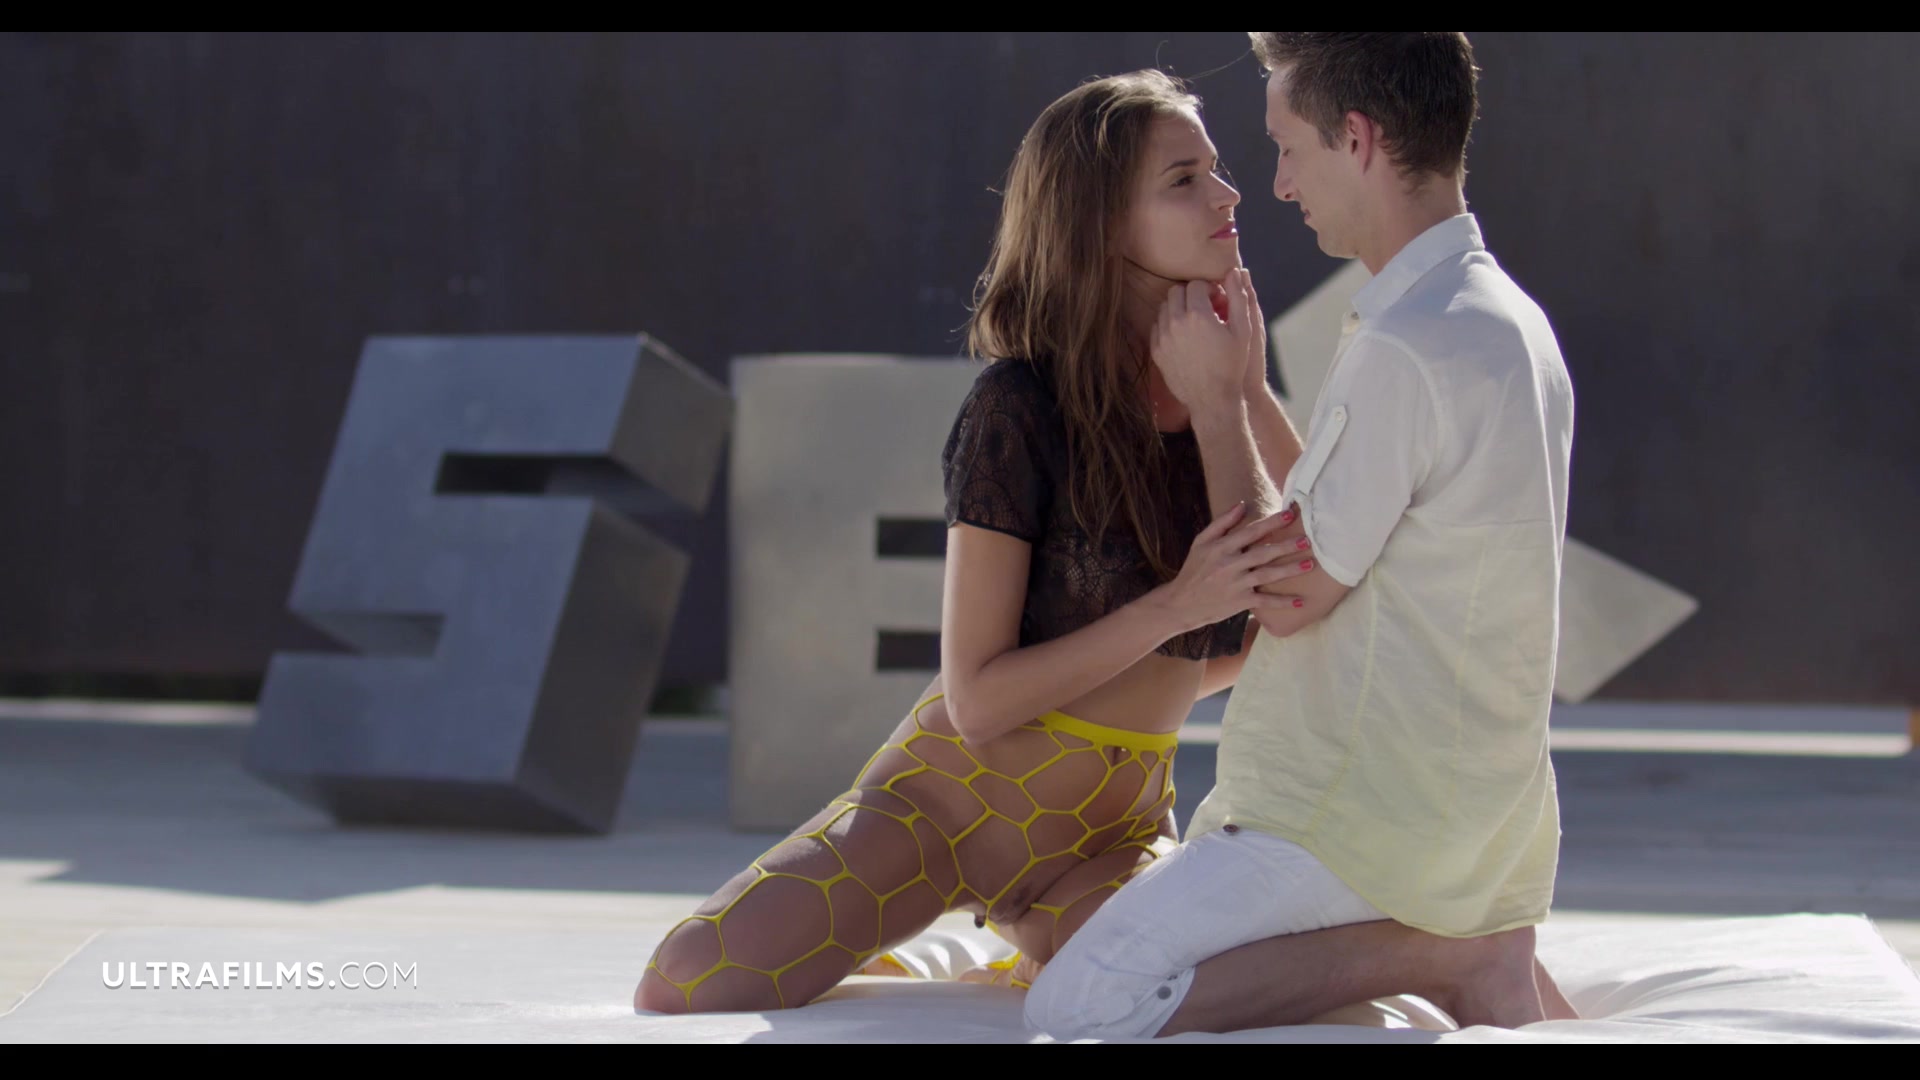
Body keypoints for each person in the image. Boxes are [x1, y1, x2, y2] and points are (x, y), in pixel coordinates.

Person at [636, 69, 1315, 1015]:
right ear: (1098, 221)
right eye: (1184, 179)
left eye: (1217, 168)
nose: (1229, 194)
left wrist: (1238, 391)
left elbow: (1300, 597)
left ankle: (1018, 947)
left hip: (1110, 836)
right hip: (946, 806)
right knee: (688, 982)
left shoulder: (1219, 395)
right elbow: (981, 698)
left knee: (1185, 995)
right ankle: (926, 953)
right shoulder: (1017, 406)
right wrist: (1176, 608)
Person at [1024, 32, 1583, 1039]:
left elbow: (1283, 594)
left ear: (1357, 140)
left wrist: (1212, 406)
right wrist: (1245, 390)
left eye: (1289, 148)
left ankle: (1441, 957)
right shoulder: (1502, 320)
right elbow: (1333, 532)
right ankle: (1461, 948)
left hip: (1351, 822)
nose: (1277, 186)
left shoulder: (1410, 344)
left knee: (1082, 1004)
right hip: (1470, 822)